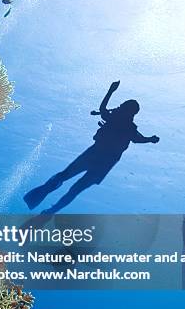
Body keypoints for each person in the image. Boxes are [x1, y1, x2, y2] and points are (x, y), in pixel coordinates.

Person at [24, 81, 159, 213]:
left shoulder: (119, 121)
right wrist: (150, 139)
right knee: (74, 188)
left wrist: (110, 91)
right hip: (104, 162)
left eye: (122, 106)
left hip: (95, 155)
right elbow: (138, 138)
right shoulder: (126, 125)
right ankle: (53, 209)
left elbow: (104, 110)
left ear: (128, 110)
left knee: (66, 179)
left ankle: (48, 201)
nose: (119, 107)